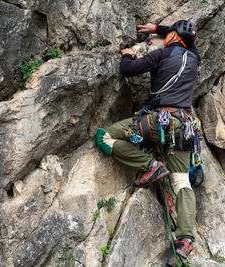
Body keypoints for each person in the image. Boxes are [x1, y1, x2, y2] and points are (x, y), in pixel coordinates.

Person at [96, 20, 201, 259]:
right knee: (182, 181)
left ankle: (150, 166)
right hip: (185, 126)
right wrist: (157, 29)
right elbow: (187, 39)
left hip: (158, 122)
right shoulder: (195, 57)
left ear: (172, 37)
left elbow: (128, 70)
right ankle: (186, 239)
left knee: (106, 137)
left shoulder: (162, 54)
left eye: (168, 35)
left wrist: (127, 54)